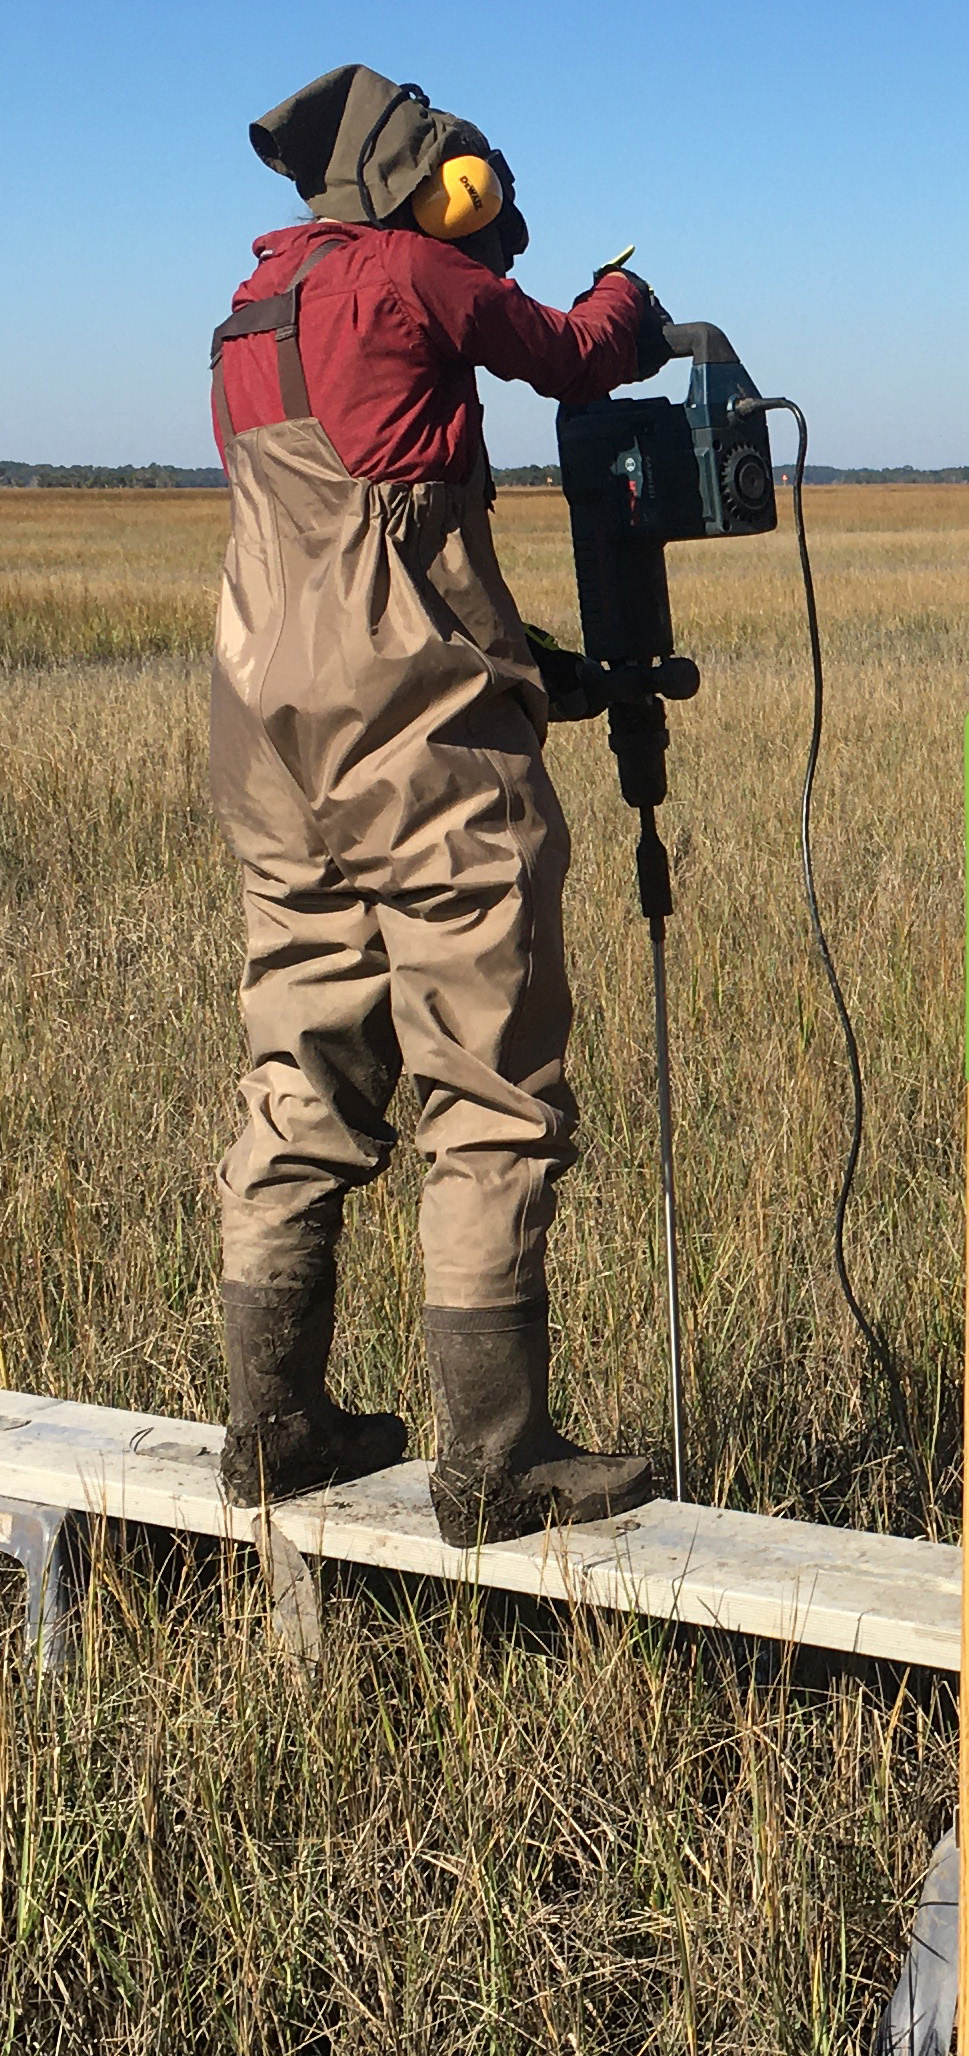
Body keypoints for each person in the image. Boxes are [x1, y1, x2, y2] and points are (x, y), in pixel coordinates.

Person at [208, 65, 667, 1545]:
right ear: (429, 182)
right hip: (418, 746)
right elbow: (577, 355)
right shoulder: (412, 274)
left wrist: (527, 662)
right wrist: (624, 295)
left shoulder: (253, 313)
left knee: (299, 1057)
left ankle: (272, 1428)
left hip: (274, 740)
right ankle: (496, 1460)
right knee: (488, 1072)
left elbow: (357, 550)